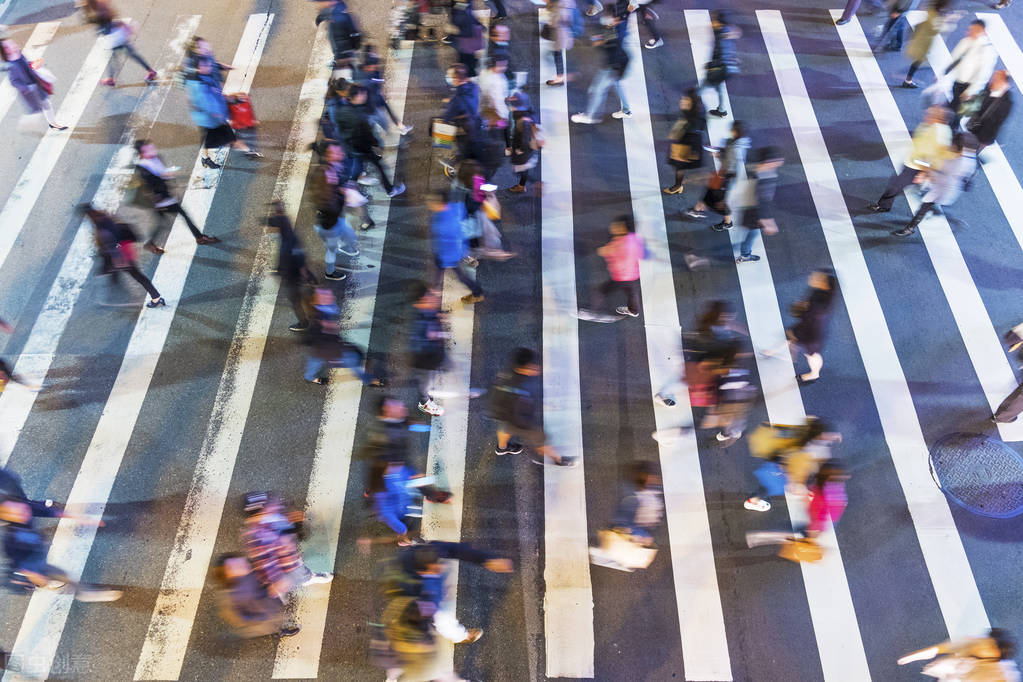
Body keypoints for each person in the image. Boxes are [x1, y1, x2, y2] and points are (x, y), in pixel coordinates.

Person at [0, 498, 120, 601]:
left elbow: (48, 511)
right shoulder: (11, 539)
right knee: (62, 576)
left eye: (21, 508)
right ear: (6, 517)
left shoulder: (24, 509)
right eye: (16, 513)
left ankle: (81, 592)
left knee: (62, 576)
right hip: (35, 565)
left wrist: (79, 518)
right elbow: (20, 565)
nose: (23, 512)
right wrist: (38, 578)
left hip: (37, 555)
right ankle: (84, 593)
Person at [489, 347, 576, 466]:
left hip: (506, 415)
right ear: (521, 368)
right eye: (532, 367)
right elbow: (524, 416)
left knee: (505, 428)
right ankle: (558, 460)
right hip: (523, 422)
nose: (537, 368)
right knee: (541, 440)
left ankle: (502, 447)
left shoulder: (507, 376)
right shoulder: (522, 392)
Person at [241, 492, 332, 600]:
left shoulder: (272, 517)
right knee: (299, 574)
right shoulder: (259, 534)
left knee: (298, 568)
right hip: (287, 566)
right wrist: (277, 579)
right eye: (269, 504)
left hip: (289, 555)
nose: (274, 505)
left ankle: (303, 578)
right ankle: (308, 579)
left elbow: (284, 527)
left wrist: (293, 522)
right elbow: (266, 561)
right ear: (262, 510)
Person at [133, 139, 220, 251]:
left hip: (163, 197)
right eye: (148, 149)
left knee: (162, 222)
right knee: (183, 215)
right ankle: (199, 237)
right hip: (161, 200)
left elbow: (161, 174)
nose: (152, 149)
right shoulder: (144, 169)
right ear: (142, 154)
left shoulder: (155, 158)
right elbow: (152, 187)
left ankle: (150, 243)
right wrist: (164, 198)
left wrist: (167, 176)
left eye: (151, 147)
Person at [869, 105, 951, 213]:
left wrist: (924, 172)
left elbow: (938, 156)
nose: (926, 116)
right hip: (913, 161)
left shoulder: (940, 135)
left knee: (895, 185)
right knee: (897, 184)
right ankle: (886, 204)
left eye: (929, 115)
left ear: (937, 118)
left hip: (918, 166)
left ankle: (884, 205)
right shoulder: (929, 125)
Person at [79, 204, 165, 308]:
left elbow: (113, 243)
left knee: (138, 276)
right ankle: (114, 279)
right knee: (120, 270)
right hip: (122, 250)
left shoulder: (101, 228)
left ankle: (156, 298)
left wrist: (118, 256)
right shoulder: (103, 216)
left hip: (122, 255)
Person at [893, 132, 976, 237]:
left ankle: (909, 229)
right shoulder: (969, 158)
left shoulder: (956, 164)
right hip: (944, 186)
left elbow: (937, 169)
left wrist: (923, 166)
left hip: (943, 189)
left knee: (925, 206)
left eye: (954, 146)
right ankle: (950, 220)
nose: (952, 147)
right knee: (928, 205)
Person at [589, 461, 664, 571]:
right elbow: (627, 522)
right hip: (633, 534)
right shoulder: (639, 499)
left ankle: (611, 555)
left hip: (632, 534)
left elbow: (625, 521)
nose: (656, 480)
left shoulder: (639, 498)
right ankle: (613, 556)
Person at [303, 287, 378, 386]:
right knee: (353, 359)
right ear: (315, 303)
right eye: (325, 296)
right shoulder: (320, 321)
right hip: (329, 350)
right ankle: (368, 379)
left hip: (324, 348)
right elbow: (326, 342)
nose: (331, 296)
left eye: (328, 293)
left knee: (315, 360)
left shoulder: (328, 309)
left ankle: (309, 377)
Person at [185, 57, 252, 169]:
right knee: (228, 138)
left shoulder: (202, 77)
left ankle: (205, 158)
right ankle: (248, 150)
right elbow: (209, 105)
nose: (209, 67)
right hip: (211, 120)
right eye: (205, 66)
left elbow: (214, 94)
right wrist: (222, 115)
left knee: (209, 140)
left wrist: (221, 66)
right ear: (198, 69)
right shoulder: (201, 87)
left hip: (207, 119)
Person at [213, 554, 300, 639]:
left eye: (236, 560)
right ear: (228, 576)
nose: (240, 562)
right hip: (263, 614)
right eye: (233, 567)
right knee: (272, 623)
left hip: (262, 601)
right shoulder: (242, 593)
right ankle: (280, 631)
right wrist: (271, 592)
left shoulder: (245, 572)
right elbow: (253, 613)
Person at [571, 6, 630, 125]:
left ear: (615, 19)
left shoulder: (615, 34)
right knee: (616, 84)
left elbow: (611, 46)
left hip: (612, 66)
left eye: (607, 17)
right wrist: (603, 38)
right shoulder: (616, 27)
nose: (604, 19)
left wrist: (600, 42)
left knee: (596, 90)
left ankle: (590, 116)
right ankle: (626, 110)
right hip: (619, 64)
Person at [688, 120, 751, 231]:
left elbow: (729, 164)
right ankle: (698, 208)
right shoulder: (736, 143)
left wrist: (717, 155)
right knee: (711, 193)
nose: (731, 130)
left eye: (733, 129)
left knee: (717, 200)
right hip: (723, 175)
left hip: (726, 177)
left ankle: (726, 221)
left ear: (737, 131)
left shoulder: (735, 148)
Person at [578, 214, 644, 320]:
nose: (612, 227)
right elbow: (643, 253)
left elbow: (605, 251)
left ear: (623, 228)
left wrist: (601, 250)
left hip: (620, 277)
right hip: (633, 275)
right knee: (632, 293)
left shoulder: (618, 243)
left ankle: (593, 311)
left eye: (616, 226)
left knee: (601, 291)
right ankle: (634, 310)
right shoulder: (634, 238)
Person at [311, 143, 360, 280]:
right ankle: (329, 273)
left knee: (350, 236)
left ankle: (346, 246)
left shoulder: (332, 168)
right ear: (328, 156)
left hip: (335, 219)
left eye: (339, 151)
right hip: (329, 224)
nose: (340, 153)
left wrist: (341, 190)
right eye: (335, 152)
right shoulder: (323, 176)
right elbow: (326, 203)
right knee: (332, 249)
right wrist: (343, 195)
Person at [346, 85, 405, 196]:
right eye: (362, 94)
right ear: (355, 97)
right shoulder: (359, 115)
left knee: (359, 166)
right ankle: (390, 190)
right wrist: (376, 145)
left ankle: (351, 188)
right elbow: (366, 134)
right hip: (362, 147)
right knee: (379, 165)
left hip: (354, 146)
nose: (365, 96)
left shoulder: (349, 108)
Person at [80, 0, 157, 87]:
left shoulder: (98, 9)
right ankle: (111, 79)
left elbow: (108, 20)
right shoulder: (96, 7)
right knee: (117, 57)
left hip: (116, 37)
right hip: (115, 36)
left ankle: (150, 71)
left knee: (129, 55)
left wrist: (104, 28)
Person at [898, 628, 1021, 682]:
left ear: (997, 656)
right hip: (951, 675)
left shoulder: (1003, 677)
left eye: (990, 646)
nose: (982, 644)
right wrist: (912, 657)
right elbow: (942, 648)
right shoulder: (975, 642)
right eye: (987, 640)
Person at [267, 201, 316, 332]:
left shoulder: (287, 244)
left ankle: (303, 322)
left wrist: (284, 273)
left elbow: (298, 262)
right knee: (303, 294)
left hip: (292, 276)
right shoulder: (289, 233)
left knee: (295, 300)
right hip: (294, 271)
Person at [428, 190, 484, 303]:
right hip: (457, 248)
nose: (429, 203)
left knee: (460, 275)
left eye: (431, 201)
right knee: (441, 267)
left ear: (439, 203)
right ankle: (436, 287)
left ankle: (477, 292)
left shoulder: (443, 225)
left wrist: (446, 261)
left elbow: (448, 243)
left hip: (449, 255)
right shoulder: (456, 207)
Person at [0, 36, 67, 130]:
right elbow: (14, 82)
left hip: (36, 84)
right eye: (10, 45)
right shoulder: (12, 66)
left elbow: (26, 66)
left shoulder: (19, 55)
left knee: (46, 104)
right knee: (37, 109)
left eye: (12, 43)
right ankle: (26, 125)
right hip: (30, 90)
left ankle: (52, 124)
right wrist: (28, 88)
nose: (14, 45)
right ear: (6, 50)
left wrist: (33, 64)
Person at [944, 19, 998, 129]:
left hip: (968, 87)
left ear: (981, 31)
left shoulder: (987, 51)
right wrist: (946, 72)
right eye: (970, 29)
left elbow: (983, 75)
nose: (969, 32)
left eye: (973, 30)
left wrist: (970, 91)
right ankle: (949, 124)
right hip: (958, 81)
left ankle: (951, 129)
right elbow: (956, 57)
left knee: (957, 110)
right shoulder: (966, 41)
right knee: (955, 105)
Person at [788, 269, 837, 383]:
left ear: (823, 282)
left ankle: (814, 374)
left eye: (815, 277)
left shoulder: (816, 310)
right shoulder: (825, 290)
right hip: (809, 329)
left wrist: (797, 335)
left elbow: (810, 326)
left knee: (812, 355)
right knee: (790, 337)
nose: (811, 277)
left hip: (811, 335)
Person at [736, 146, 783, 263]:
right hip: (755, 213)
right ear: (767, 161)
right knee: (752, 234)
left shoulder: (755, 169)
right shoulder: (766, 176)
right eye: (775, 160)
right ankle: (745, 255)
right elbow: (762, 201)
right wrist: (767, 221)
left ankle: (745, 253)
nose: (778, 162)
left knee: (752, 233)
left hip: (749, 208)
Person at [409, 283, 450, 417]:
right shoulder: (419, 324)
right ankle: (424, 403)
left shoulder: (428, 311)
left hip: (433, 356)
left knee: (429, 380)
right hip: (426, 362)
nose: (434, 300)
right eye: (429, 298)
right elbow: (418, 347)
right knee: (426, 383)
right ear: (420, 302)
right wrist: (434, 336)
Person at [901, 0, 957, 89]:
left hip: (922, 40)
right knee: (918, 61)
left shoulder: (932, 12)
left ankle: (908, 80)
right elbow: (935, 31)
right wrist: (950, 20)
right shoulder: (934, 17)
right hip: (922, 43)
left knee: (918, 61)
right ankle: (907, 81)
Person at [663, 89, 706, 194]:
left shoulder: (693, 118)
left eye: (685, 99)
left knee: (679, 165)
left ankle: (678, 186)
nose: (682, 101)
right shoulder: (695, 112)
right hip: (686, 142)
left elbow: (685, 131)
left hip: (687, 144)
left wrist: (676, 132)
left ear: (692, 102)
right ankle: (678, 185)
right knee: (679, 165)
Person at [361, 48, 412, 136]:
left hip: (377, 98)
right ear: (368, 66)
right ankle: (390, 131)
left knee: (389, 112)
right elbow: (369, 91)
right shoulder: (365, 77)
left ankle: (400, 127)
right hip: (372, 106)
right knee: (381, 122)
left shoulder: (374, 72)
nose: (376, 66)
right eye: (374, 65)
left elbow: (379, 83)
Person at [698, 10, 740, 118]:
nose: (711, 23)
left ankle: (693, 102)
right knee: (719, 85)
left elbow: (719, 53)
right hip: (730, 67)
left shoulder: (720, 35)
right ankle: (721, 110)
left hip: (722, 67)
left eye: (713, 21)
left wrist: (710, 65)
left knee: (706, 84)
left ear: (718, 22)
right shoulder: (727, 30)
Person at [441, 63, 482, 165]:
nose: (448, 78)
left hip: (465, 129)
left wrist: (449, 104)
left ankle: (454, 163)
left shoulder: (456, 100)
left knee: (463, 149)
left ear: (456, 78)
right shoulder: (473, 86)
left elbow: (447, 118)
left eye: (449, 76)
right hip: (476, 122)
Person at [966, 70, 1013, 156]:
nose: (993, 79)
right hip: (975, 125)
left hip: (984, 135)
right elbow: (980, 102)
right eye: (994, 77)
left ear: (1003, 82)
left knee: (972, 151)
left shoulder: (1006, 103)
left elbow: (995, 123)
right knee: (967, 146)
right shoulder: (990, 87)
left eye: (997, 78)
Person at [507, 91, 539, 193]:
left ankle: (534, 183)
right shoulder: (526, 109)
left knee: (518, 170)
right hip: (526, 150)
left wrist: (519, 150)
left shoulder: (524, 121)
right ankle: (522, 185)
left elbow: (525, 140)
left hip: (523, 150)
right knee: (522, 168)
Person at [543, 0, 577, 87]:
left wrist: (551, 23)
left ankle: (561, 78)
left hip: (560, 34)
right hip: (561, 33)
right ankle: (561, 77)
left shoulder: (562, 5)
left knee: (557, 55)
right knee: (557, 54)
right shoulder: (563, 3)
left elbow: (561, 19)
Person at [451, 1, 485, 78]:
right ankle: (466, 79)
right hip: (466, 45)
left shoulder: (464, 7)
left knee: (468, 65)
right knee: (467, 64)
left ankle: (467, 80)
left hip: (468, 46)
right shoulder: (461, 7)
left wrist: (455, 31)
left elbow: (468, 29)